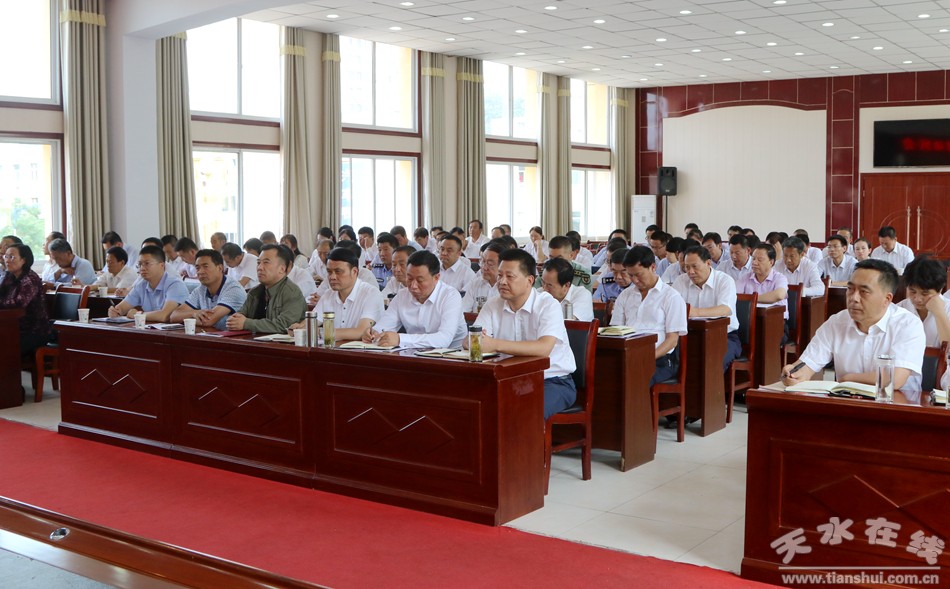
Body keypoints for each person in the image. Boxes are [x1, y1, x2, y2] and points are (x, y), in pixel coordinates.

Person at [782, 259, 926, 402]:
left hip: (896, 406)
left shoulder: (908, 324)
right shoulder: (836, 322)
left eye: (864, 292)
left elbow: (895, 379)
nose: (854, 298)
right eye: (850, 289)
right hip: (848, 406)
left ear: (887, 299)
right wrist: (793, 374)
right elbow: (807, 364)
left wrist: (847, 379)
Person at [469, 248, 576, 420]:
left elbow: (543, 349)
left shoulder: (548, 305)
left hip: (552, 381)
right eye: (500, 275)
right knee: (473, 404)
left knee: (525, 411)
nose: (502, 282)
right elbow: (472, 341)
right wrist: (474, 342)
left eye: (510, 276)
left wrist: (494, 344)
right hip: (507, 380)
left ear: (529, 280)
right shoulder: (493, 304)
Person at [610, 245, 688, 386]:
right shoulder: (625, 295)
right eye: (631, 275)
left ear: (653, 267)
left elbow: (672, 341)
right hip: (628, 355)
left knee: (634, 378)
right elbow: (616, 330)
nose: (635, 280)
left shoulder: (671, 297)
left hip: (659, 359)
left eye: (638, 274)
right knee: (605, 374)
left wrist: (647, 357)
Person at [362, 250, 466, 349]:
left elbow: (444, 339)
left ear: (436, 278)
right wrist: (374, 333)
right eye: (410, 278)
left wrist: (400, 339)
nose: (413, 286)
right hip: (413, 353)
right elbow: (384, 326)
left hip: (452, 355)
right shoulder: (402, 295)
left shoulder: (450, 296)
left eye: (420, 280)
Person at [672, 245, 742, 372]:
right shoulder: (680, 281)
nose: (690, 272)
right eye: (687, 267)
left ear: (708, 263)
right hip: (689, 335)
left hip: (724, 337)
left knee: (714, 360)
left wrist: (694, 312)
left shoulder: (725, 280)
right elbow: (672, 307)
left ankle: (714, 386)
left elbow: (725, 309)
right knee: (672, 358)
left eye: (695, 266)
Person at [289, 247, 384, 341]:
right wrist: (299, 328)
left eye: (338, 272)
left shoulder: (371, 294)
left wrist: (321, 332)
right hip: (333, 348)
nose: (332, 277)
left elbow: (361, 331)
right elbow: (312, 322)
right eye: (329, 272)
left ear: (354, 272)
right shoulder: (328, 294)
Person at [226, 244, 307, 334]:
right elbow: (240, 315)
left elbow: (284, 325)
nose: (260, 267)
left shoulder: (292, 293)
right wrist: (234, 321)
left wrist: (246, 323)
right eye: (258, 263)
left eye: (266, 262)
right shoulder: (254, 292)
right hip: (253, 340)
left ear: (282, 269)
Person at [170, 249, 247, 330]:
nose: (200, 272)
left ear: (220, 268)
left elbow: (207, 320)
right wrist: (195, 313)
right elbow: (174, 316)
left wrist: (186, 319)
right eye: (197, 268)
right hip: (210, 335)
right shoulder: (201, 289)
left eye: (205, 267)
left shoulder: (234, 289)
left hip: (234, 337)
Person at [109, 246, 189, 322]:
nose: (142, 268)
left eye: (147, 264)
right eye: (140, 264)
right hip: (150, 329)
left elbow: (165, 315)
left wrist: (137, 315)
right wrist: (115, 311)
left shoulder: (175, 285)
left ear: (162, 265)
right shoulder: (141, 285)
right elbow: (121, 308)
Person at [0, 244, 51, 362]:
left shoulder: (30, 278)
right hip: (14, 327)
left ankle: (10, 374)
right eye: (6, 256)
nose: (7, 260)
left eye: (12, 257)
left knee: (5, 349)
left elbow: (18, 303)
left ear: (23, 260)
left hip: (34, 331)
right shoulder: (9, 276)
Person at [738, 244, 789, 340]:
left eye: (760, 260)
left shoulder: (780, 278)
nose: (754, 262)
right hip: (749, 322)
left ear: (771, 262)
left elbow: (779, 295)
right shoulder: (745, 277)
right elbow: (736, 296)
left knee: (763, 337)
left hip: (776, 323)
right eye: (753, 259)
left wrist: (751, 300)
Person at [896, 256, 950, 348]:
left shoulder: (948, 309)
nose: (917, 299)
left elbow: (948, 350)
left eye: (925, 293)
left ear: (940, 289)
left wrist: (940, 313)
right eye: (912, 291)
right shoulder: (899, 309)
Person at [461, 241, 504, 313]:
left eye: (490, 264)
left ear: (502, 265)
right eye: (483, 261)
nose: (484, 267)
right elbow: (463, 311)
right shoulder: (475, 283)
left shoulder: (507, 288)